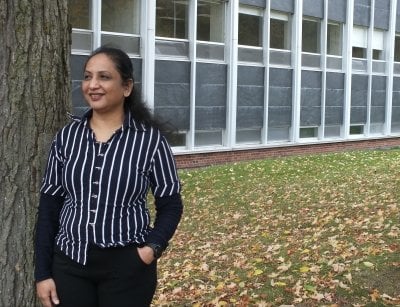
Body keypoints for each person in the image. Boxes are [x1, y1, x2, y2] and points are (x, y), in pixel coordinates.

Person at [34, 46, 183, 307]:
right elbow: (49, 207)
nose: (93, 85)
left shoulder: (150, 142)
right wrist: (43, 273)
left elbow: (171, 204)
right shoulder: (67, 138)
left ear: (126, 87)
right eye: (88, 76)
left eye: (104, 77)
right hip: (70, 265)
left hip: (128, 269)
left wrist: (151, 250)